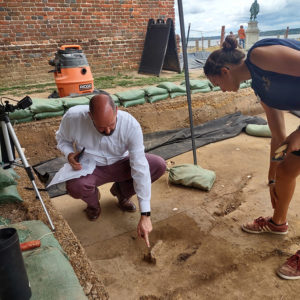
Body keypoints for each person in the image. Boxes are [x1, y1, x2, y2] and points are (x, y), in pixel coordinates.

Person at [203, 35, 300, 280]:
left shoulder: (259, 55)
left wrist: (299, 132)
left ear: (225, 71)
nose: (221, 91)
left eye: (217, 84)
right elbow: (278, 134)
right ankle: (278, 223)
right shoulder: (260, 86)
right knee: (286, 170)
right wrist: (272, 177)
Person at [52, 92, 166, 247]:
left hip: (122, 163)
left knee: (158, 165)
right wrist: (69, 154)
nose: (107, 131)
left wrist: (145, 214)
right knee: (74, 186)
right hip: (91, 166)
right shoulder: (73, 118)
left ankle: (122, 193)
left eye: (111, 125)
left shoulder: (130, 125)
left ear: (116, 111)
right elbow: (62, 139)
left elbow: (140, 167)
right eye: (101, 127)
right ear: (90, 116)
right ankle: (93, 204)